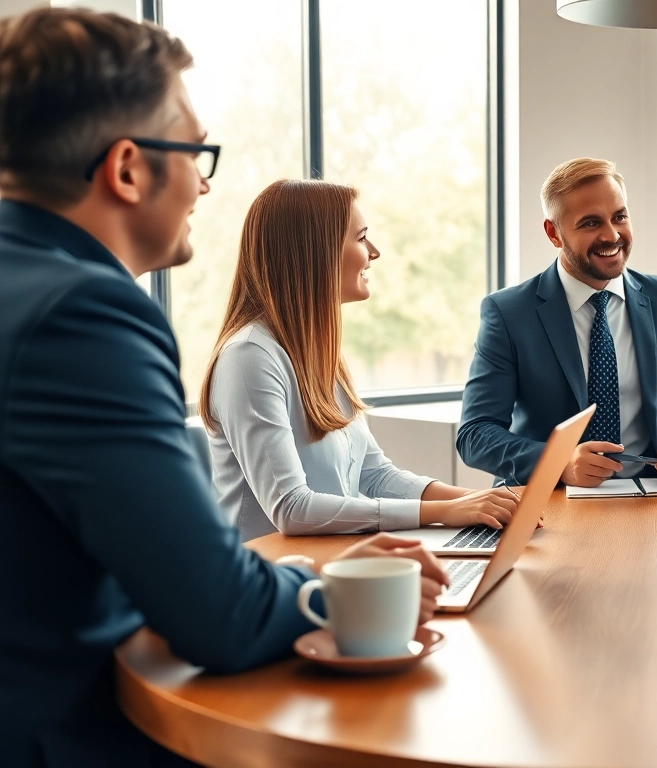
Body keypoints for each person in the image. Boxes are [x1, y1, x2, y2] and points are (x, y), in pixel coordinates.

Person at [0, 10, 445, 766]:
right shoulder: (86, 315)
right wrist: (346, 591)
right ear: (129, 169)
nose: (206, 183)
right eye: (197, 153)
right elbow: (219, 616)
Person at [200, 179, 519, 540]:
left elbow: (374, 474)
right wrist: (443, 512)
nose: (374, 251)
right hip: (266, 578)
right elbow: (291, 508)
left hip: (329, 563)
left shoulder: (319, 353)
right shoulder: (249, 357)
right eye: (361, 237)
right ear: (315, 251)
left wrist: (481, 501)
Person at [457, 157, 657, 487]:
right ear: (553, 233)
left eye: (619, 217)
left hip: (650, 497)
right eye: (590, 223)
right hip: (548, 501)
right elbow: (476, 434)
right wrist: (560, 463)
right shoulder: (508, 313)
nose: (612, 235)